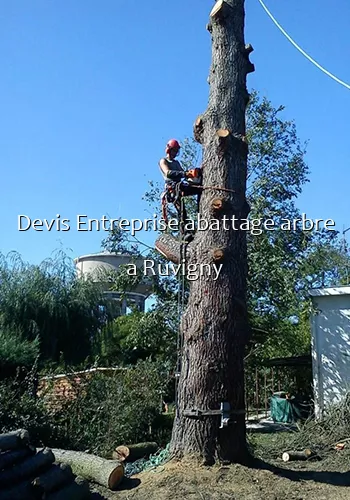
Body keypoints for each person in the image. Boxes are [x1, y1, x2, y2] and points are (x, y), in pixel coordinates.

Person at [159, 139, 202, 231]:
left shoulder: (176, 163)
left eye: (176, 151)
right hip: (172, 188)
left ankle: (200, 212)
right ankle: (185, 232)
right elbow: (168, 173)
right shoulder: (163, 161)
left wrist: (193, 173)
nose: (175, 153)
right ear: (169, 150)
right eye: (174, 150)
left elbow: (184, 173)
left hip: (180, 185)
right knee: (182, 211)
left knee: (199, 189)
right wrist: (185, 174)